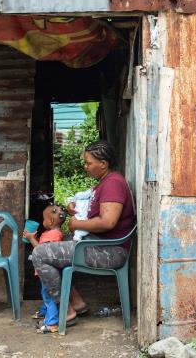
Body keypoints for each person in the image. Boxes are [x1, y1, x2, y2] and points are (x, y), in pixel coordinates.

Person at [30, 140, 136, 330]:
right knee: (54, 247)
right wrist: (74, 211)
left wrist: (76, 224)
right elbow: (93, 213)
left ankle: (67, 311)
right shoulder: (104, 183)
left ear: (103, 163)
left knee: (39, 254)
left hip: (109, 251)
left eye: (89, 163)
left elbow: (108, 222)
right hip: (97, 244)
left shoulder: (113, 184)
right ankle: (76, 303)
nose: (85, 167)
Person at [23, 205, 67, 333]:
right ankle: (45, 313)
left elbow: (43, 252)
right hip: (49, 271)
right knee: (46, 294)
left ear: (50, 221)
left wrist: (31, 239)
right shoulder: (54, 233)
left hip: (49, 272)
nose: (43, 221)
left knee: (49, 295)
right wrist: (34, 238)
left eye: (44, 219)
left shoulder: (52, 234)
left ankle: (52, 323)